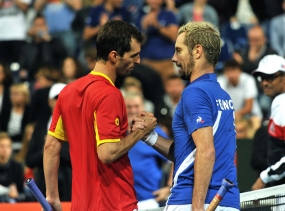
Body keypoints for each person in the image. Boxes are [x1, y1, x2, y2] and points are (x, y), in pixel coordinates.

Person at [43, 20, 157, 211]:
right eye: (134, 55)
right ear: (114, 56)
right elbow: (107, 153)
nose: (138, 61)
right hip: (115, 203)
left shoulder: (68, 91)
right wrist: (141, 132)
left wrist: (52, 196)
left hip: (81, 205)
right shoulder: (110, 95)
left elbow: (50, 146)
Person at [133, 21, 240, 210]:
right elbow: (188, 154)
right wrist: (149, 137)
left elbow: (206, 151)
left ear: (197, 51)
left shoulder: (194, 92)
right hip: (227, 202)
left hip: (190, 201)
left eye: (179, 50)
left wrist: (197, 207)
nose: (174, 58)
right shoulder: (223, 96)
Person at [124, 91, 171, 209]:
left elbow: (177, 158)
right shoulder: (117, 132)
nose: (133, 110)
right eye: (129, 107)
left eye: (136, 106)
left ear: (143, 108)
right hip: (123, 201)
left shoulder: (154, 132)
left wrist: (170, 187)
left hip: (149, 201)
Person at [251, 54, 285, 190]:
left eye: (270, 77)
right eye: (262, 78)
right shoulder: (279, 102)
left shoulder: (283, 106)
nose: (264, 83)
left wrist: (264, 178)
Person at [0, 132, 24, 203]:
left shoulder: (17, 167)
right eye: (2, 146)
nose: (5, 149)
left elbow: (21, 193)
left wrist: (16, 193)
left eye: (8, 146)